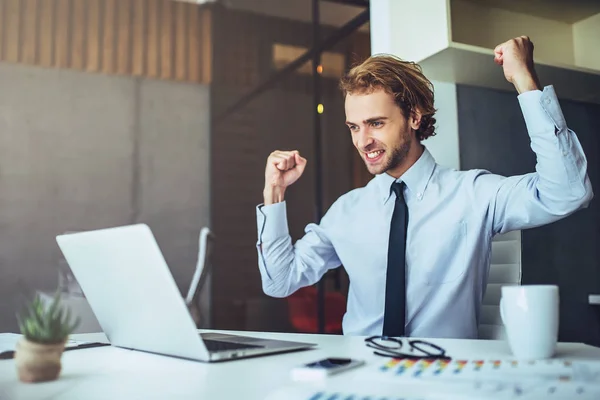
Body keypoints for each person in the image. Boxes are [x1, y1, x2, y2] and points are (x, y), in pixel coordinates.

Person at [255, 36, 593, 338]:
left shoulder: (473, 193)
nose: (362, 141)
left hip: (445, 376)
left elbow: (568, 192)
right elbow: (280, 281)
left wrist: (524, 80)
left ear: (414, 117)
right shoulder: (347, 210)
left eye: (375, 123)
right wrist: (274, 192)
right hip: (362, 374)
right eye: (353, 127)